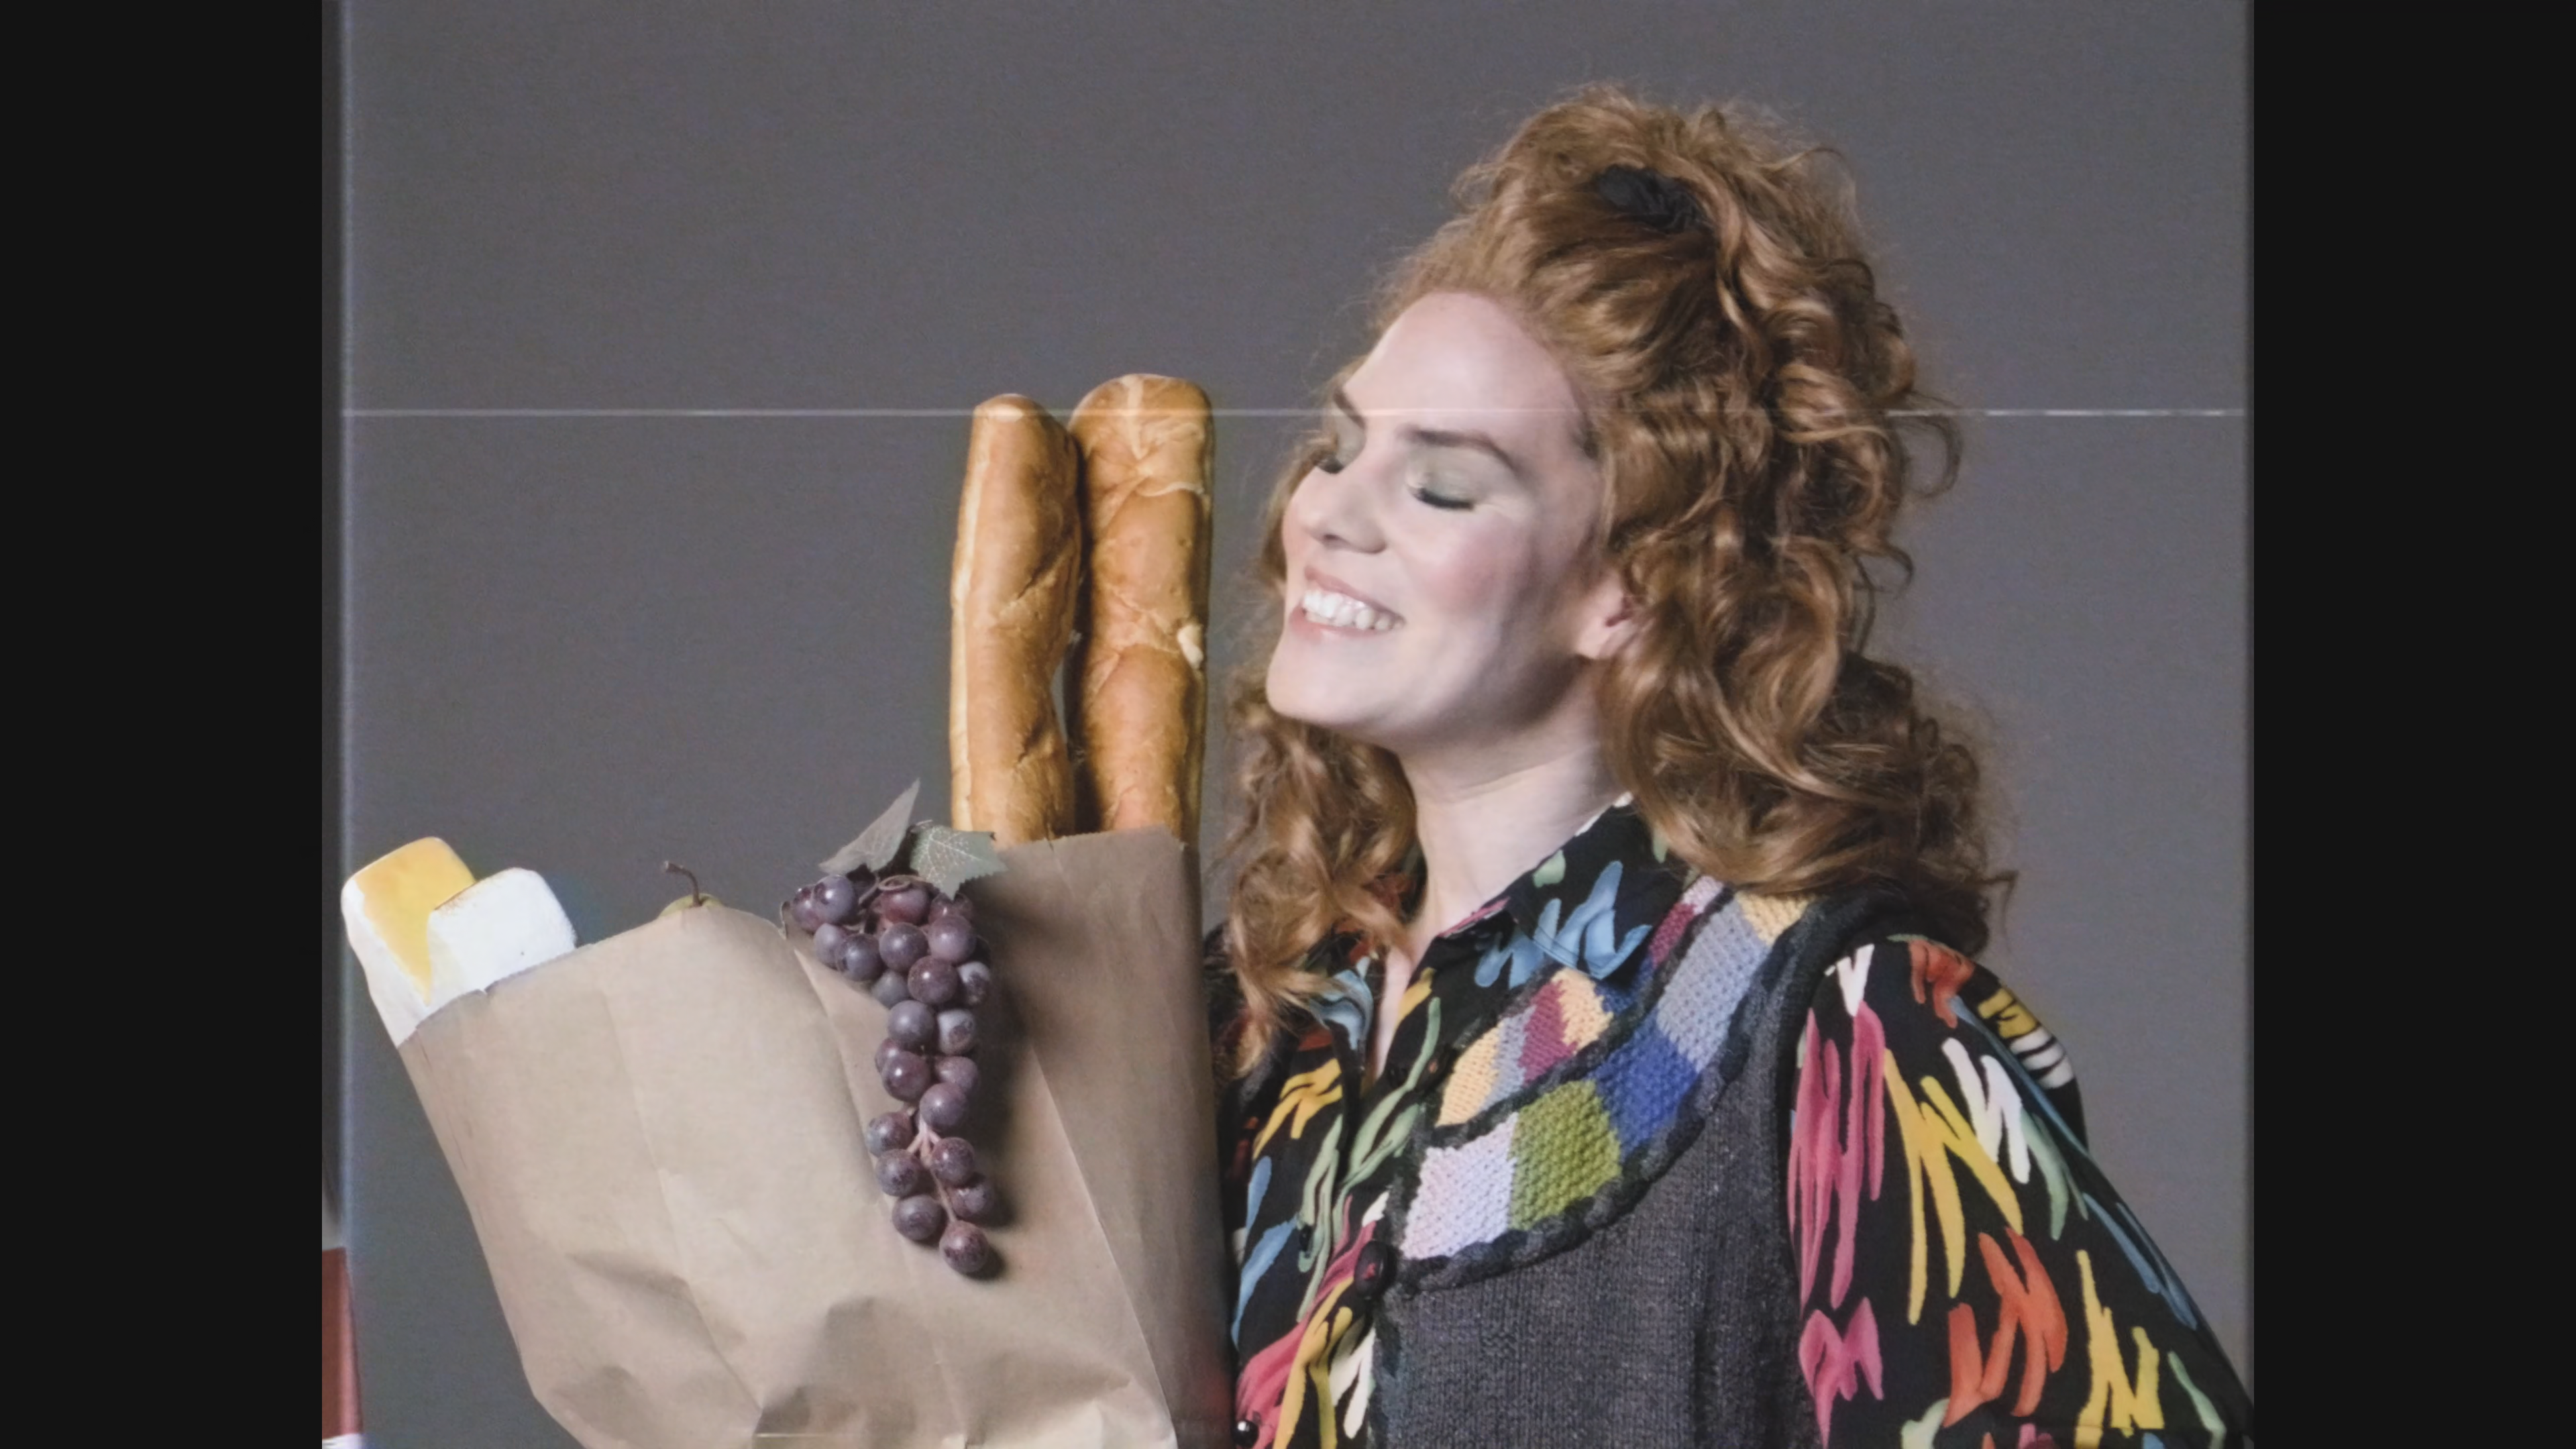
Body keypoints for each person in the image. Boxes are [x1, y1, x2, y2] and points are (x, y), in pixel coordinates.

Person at [1202, 84, 2253, 1448]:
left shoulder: (1837, 1031)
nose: (1327, 513)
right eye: (1343, 447)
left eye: (1442, 484)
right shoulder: (1272, 1011)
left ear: (1630, 586)